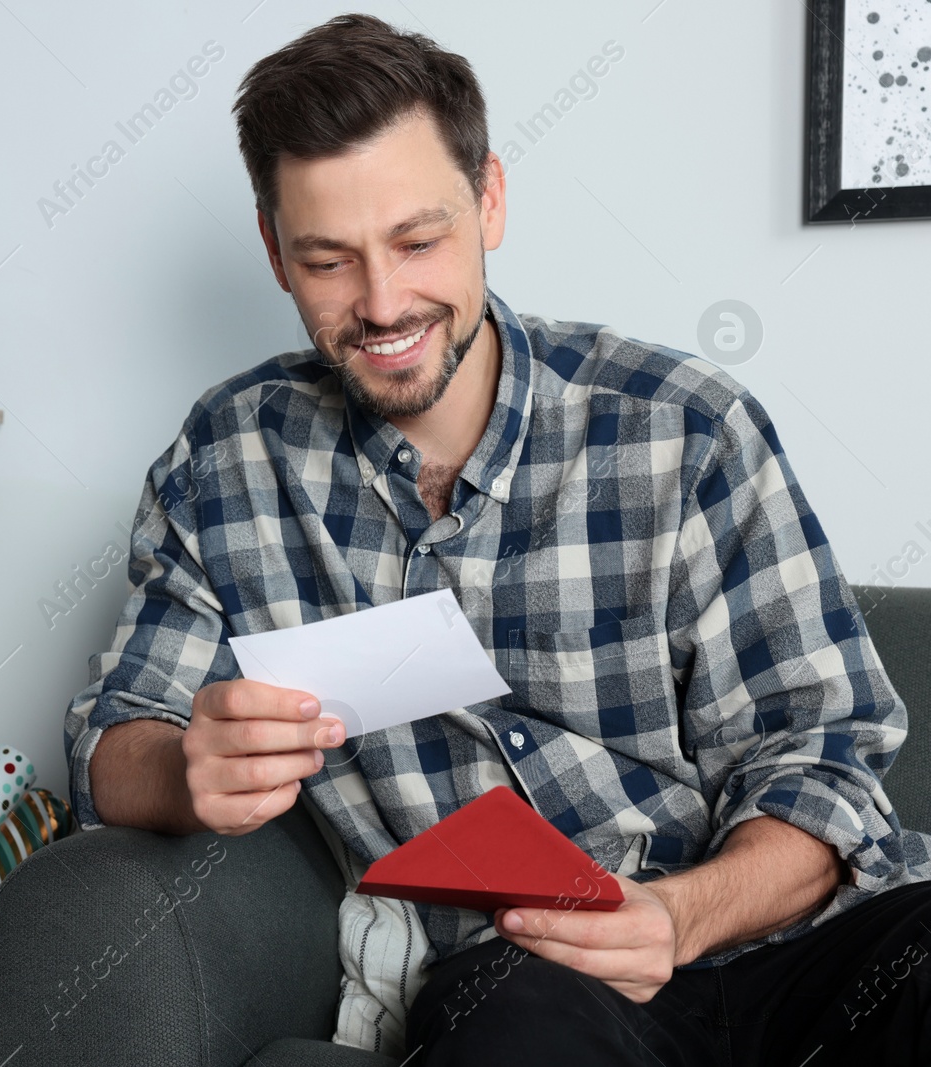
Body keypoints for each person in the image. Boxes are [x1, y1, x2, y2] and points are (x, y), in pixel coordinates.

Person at [62, 12, 931, 1066]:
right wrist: (185, 766)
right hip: (525, 979)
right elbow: (116, 741)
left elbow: (823, 754)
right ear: (272, 250)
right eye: (328, 259)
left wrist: (678, 915)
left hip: (787, 948)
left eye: (418, 241)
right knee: (505, 1018)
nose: (382, 303)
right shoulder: (227, 461)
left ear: (490, 202)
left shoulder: (683, 426)